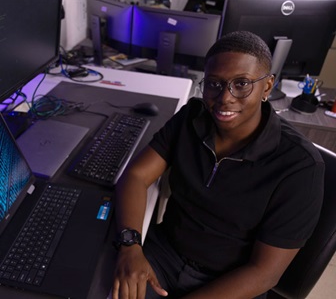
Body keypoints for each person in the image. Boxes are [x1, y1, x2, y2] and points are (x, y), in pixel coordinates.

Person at [111, 31, 325, 299]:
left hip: (231, 283)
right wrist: (130, 246)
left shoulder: (300, 167)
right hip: (165, 255)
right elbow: (136, 176)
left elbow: (264, 273)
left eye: (242, 83)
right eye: (214, 83)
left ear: (267, 87)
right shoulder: (192, 117)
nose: (225, 97)